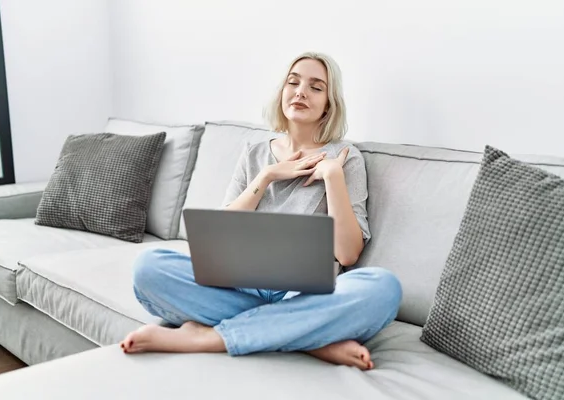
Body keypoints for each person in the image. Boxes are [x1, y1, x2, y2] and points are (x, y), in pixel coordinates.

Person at [119, 52, 402, 371]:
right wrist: (266, 176)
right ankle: (310, 338)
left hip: (307, 293)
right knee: (149, 267)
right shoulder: (254, 153)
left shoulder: (345, 159)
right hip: (239, 284)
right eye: (293, 82)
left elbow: (348, 254)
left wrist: (332, 177)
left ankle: (208, 337)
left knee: (384, 288)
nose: (300, 92)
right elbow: (220, 238)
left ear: (329, 104)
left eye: (316, 87)